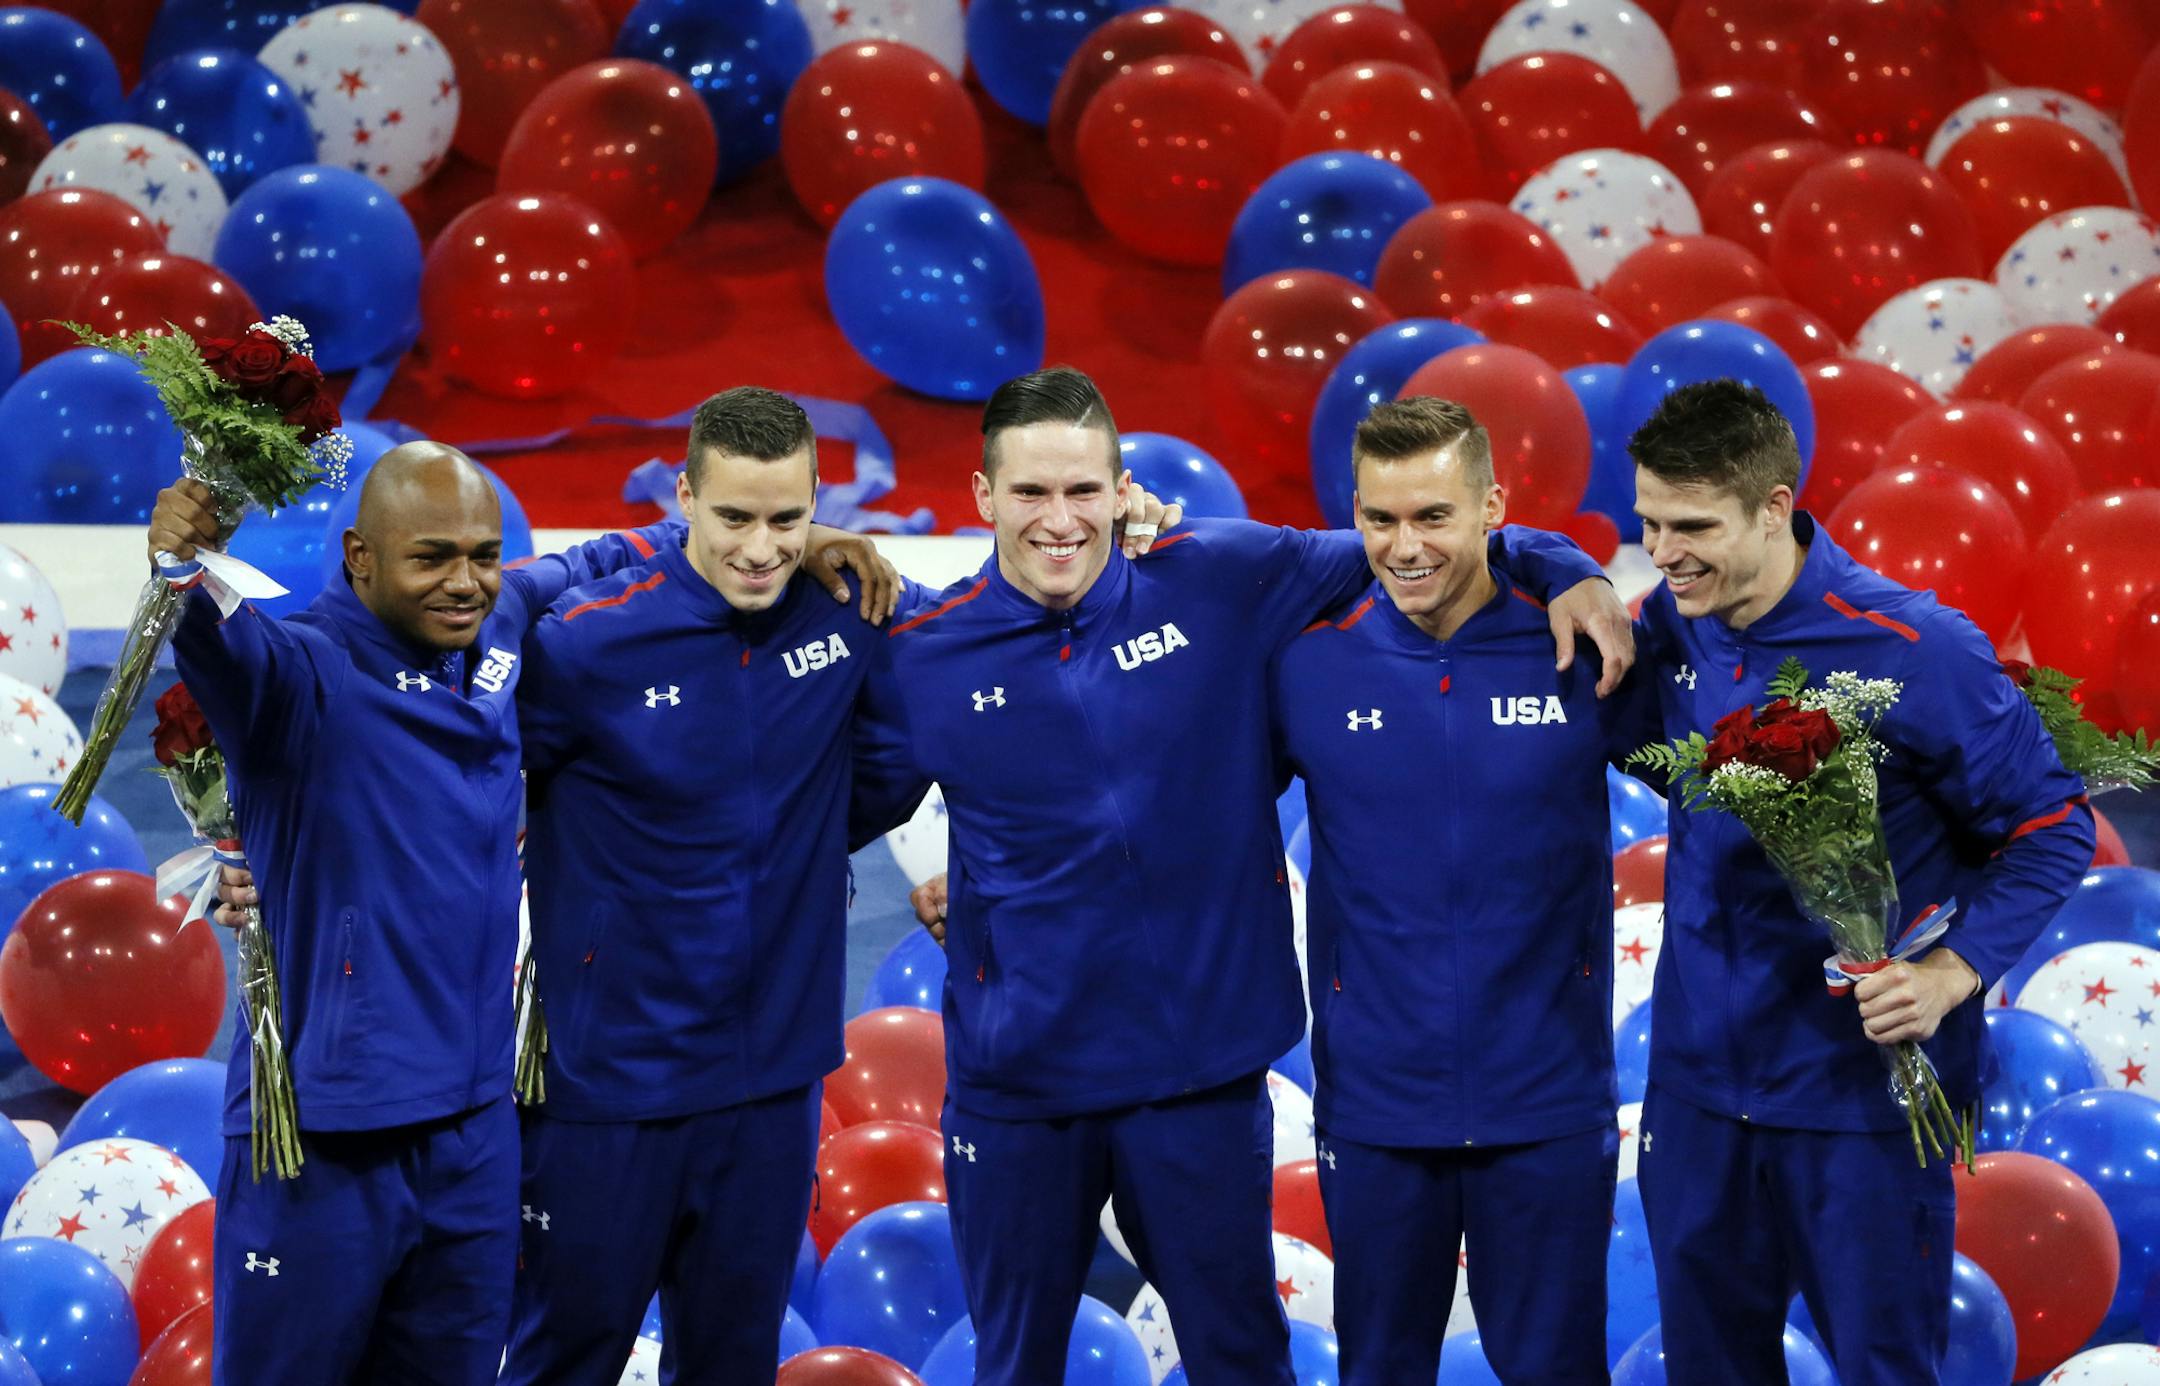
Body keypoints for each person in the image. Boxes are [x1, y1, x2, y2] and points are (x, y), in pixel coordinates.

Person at [886, 366, 1632, 1385]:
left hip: (1199, 1081)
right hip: (1020, 1089)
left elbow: (1438, 546)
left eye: (1081, 490)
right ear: (981, 498)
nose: (1059, 519)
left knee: (1242, 1361)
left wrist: (1567, 564)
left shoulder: (1225, 575)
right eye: (1030, 493)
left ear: (1121, 489)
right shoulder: (920, 651)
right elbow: (805, 795)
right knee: (1012, 1368)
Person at [152, 442, 892, 1386]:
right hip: (325, 1139)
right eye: (430, 557)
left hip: (476, 1133)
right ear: (358, 557)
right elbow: (220, 643)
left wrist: (787, 536)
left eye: (481, 554)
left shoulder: (498, 625)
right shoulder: (301, 675)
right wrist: (182, 566)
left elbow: (615, 556)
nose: (463, 582)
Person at [1626, 381, 2095, 1385]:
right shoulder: (1675, 622)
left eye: (1692, 527)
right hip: (1701, 1096)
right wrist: (1555, 570)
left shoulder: (1917, 649)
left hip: (1864, 1108)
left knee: (1884, 1370)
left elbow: (2057, 822)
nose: (1664, 555)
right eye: (1649, 525)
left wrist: (1951, 972)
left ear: (1773, 506)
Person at [1272, 397, 1653, 1385]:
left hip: (1549, 1098)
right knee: (1380, 1372)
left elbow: (1727, 787)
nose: (1405, 547)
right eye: (1380, 519)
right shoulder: (1306, 656)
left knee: (1556, 1370)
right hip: (1377, 1103)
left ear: (1493, 507)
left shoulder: (1580, 644)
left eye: (1434, 516)